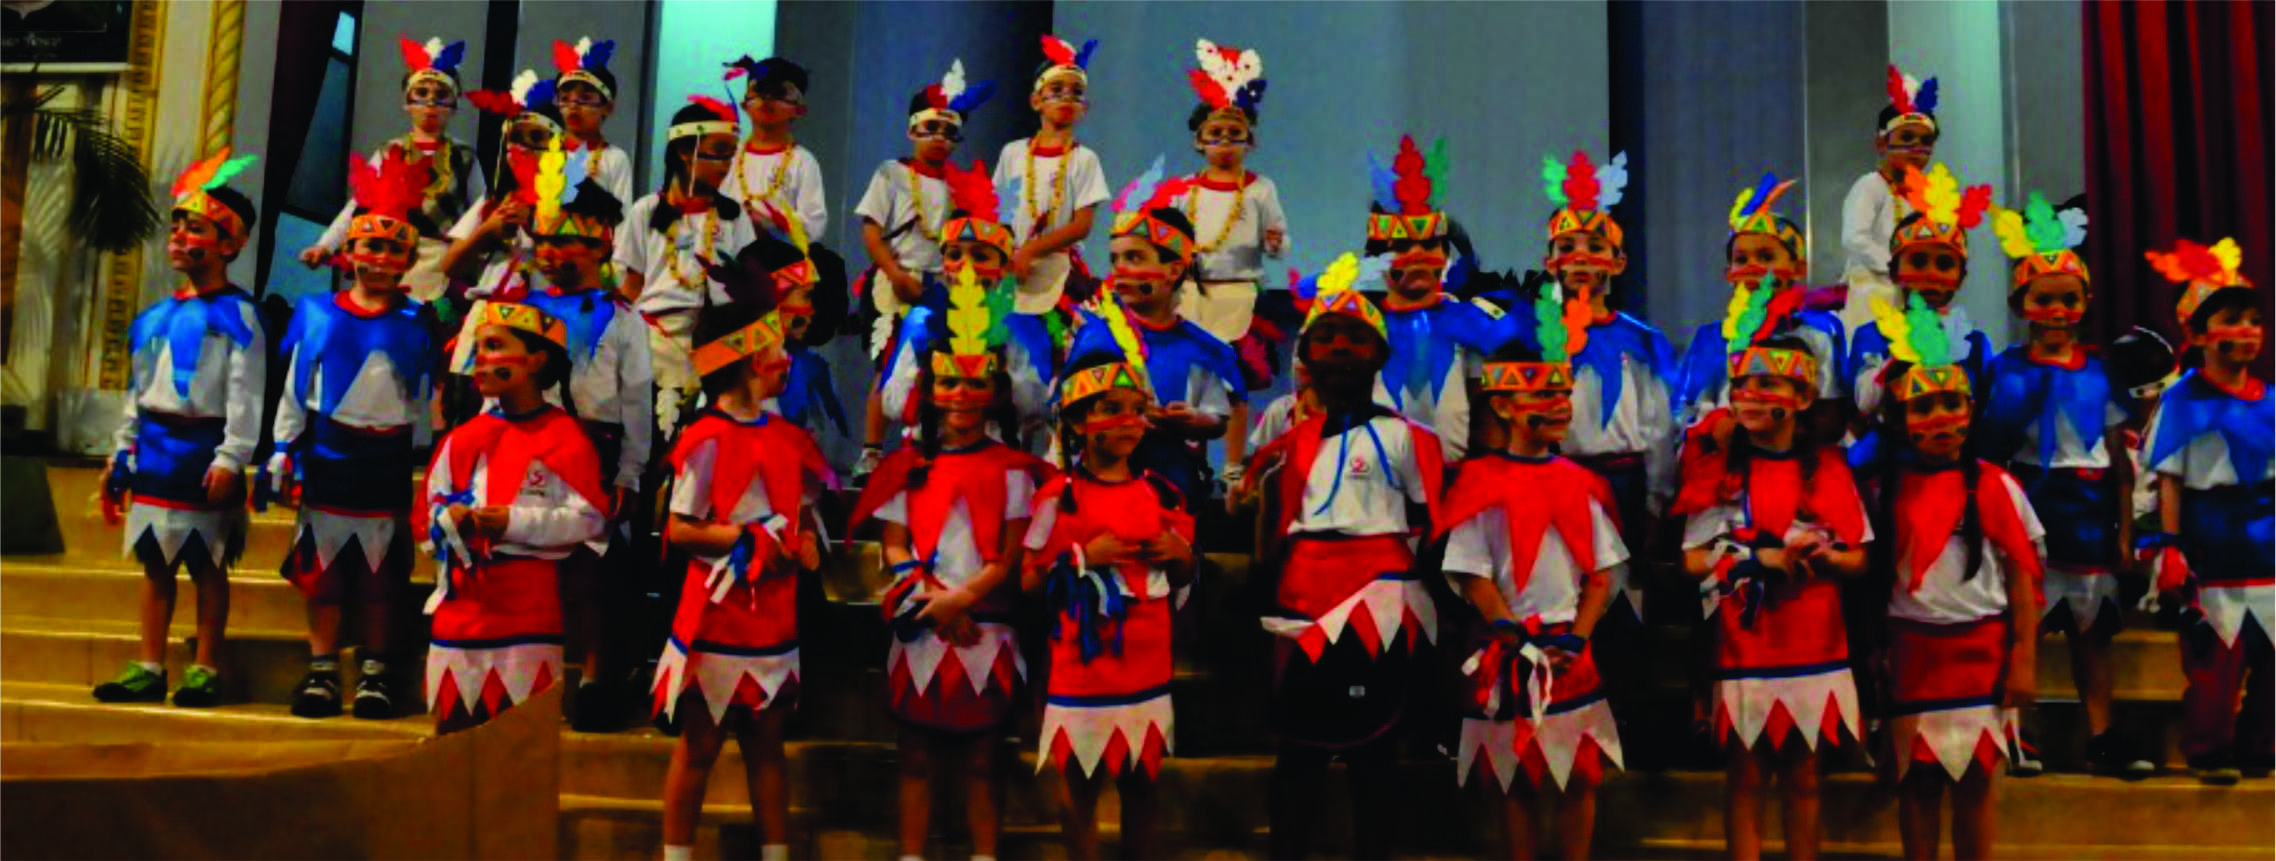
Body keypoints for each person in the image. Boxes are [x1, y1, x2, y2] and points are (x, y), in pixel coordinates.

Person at [1242, 254, 1442, 860]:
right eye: (1324, 339)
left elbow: (1431, 522)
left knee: (1375, 750)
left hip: (1377, 599)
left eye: (1355, 339)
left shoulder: (1412, 438)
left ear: (1379, 354)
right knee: (1297, 751)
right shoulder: (1286, 444)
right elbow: (1272, 527)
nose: (1339, 351)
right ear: (1305, 359)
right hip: (1302, 598)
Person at [849, 269, 1051, 861]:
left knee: (986, 759)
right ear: (930, 390)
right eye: (948, 386)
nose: (960, 396)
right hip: (922, 623)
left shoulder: (1013, 468)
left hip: (987, 628)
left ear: (991, 389)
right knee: (914, 754)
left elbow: (1010, 553)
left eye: (972, 385)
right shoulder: (907, 465)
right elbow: (894, 544)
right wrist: (933, 599)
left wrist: (964, 600)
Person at [653, 246, 834, 861]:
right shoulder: (704, 441)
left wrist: (805, 545)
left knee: (767, 745)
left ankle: (775, 853)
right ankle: (676, 854)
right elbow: (679, 530)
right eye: (774, 349)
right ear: (743, 361)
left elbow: (807, 521)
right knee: (700, 745)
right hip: (717, 616)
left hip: (774, 615)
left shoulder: (791, 440)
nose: (785, 359)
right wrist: (746, 539)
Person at [1675, 303, 1870, 861]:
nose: (1752, 396)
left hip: (1816, 642)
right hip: (1745, 645)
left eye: (1768, 384)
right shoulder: (1718, 470)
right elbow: (1690, 562)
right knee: (1745, 776)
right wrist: (1749, 557)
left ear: (1804, 398)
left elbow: (1860, 559)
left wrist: (1823, 558)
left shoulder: (1831, 468)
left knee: (1806, 776)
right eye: (1743, 384)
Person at [1439, 294, 1628, 860]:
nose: (1557, 405)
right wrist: (1510, 632)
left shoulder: (1582, 483)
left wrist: (1577, 637)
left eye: (1561, 394)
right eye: (1542, 393)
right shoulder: (1478, 481)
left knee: (1579, 774)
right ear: (1503, 405)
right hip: (1510, 648)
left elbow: (1600, 573)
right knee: (1514, 775)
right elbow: (1473, 573)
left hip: (1570, 647)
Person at [1863, 296, 2045, 861]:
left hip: (1980, 652)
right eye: (1924, 408)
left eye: (1952, 405)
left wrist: (2023, 659)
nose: (1940, 419)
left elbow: (2022, 579)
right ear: (1899, 421)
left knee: (1974, 783)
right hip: (1911, 653)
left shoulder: (1996, 485)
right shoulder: (1878, 488)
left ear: (1971, 411)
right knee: (1916, 783)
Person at [1977, 191, 2148, 777]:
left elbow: (2121, 462)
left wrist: (2125, 531)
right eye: (2044, 299)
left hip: (2090, 508)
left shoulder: (2101, 371)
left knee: (2090, 628)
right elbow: (1992, 451)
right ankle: (2016, 733)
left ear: (2086, 301)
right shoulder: (2006, 368)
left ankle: (2102, 733)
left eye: (2068, 299)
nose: (2057, 310)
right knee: (2023, 623)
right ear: (2022, 303)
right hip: (2031, 501)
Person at [1023, 301, 1197, 861]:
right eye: (1108, 410)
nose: (1126, 423)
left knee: (1143, 787)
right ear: (1076, 422)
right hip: (1082, 666)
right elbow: (1028, 579)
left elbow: (1186, 575)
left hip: (1147, 662)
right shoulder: (1056, 498)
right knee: (1079, 791)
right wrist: (1081, 556)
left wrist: (1180, 555)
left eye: (1133, 410)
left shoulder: (1163, 495)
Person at [92, 150, 267, 708]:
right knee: (155, 561)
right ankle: (148, 663)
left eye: (195, 228)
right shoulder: (156, 316)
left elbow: (247, 393)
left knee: (207, 562)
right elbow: (137, 390)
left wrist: (231, 457)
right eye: (176, 226)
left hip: (204, 450)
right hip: (156, 450)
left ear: (229, 245)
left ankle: (205, 666)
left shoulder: (239, 317)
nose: (179, 237)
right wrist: (122, 451)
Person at [268, 149, 437, 720]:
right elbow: (296, 386)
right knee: (325, 571)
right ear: (348, 251)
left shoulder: (418, 320)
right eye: (369, 245)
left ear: (408, 259)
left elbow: (426, 397)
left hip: (386, 460)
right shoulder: (316, 312)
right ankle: (321, 670)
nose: (379, 258)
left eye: (393, 248)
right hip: (327, 455)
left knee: (380, 572)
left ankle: (375, 670)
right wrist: (282, 449)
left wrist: (432, 459)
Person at [498, 142, 651, 731]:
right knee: (529, 564)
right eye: (549, 241)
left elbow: (636, 399)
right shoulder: (518, 310)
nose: (556, 253)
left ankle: (593, 678)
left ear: (603, 245)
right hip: (528, 444)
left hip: (596, 448)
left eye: (572, 242)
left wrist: (631, 472)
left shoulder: (623, 317)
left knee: (595, 572)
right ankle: (525, 673)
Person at [422, 301, 607, 733]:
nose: (479, 358)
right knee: (453, 732)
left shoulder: (565, 438)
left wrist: (515, 523)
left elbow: (590, 520)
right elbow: (427, 517)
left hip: (528, 608)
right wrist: (451, 518)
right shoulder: (463, 438)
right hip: (463, 604)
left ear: (536, 360)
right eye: (478, 348)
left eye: (493, 346)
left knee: (519, 741)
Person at [2140, 238, 2273, 785]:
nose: (2245, 331)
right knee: (2216, 654)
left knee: (2270, 653)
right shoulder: (2183, 400)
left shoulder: (2270, 398)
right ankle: (2209, 746)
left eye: (2252, 320)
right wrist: (2169, 546)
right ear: (2195, 336)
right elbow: (2169, 476)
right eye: (2230, 321)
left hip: (2266, 539)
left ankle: (2262, 743)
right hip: (2210, 538)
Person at [1063, 161, 1243, 506]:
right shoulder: (1093, 334)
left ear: (1174, 269)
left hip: (1169, 480)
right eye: (1115, 260)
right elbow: (1069, 408)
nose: (1121, 270)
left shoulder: (1202, 349)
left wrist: (1192, 421)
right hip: (1096, 480)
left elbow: (1217, 418)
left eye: (1134, 257)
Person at [853, 60, 996, 476]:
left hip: (942, 285)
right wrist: (895, 275)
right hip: (895, 279)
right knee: (888, 362)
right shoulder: (891, 174)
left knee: (936, 363)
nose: (938, 140)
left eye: (949, 133)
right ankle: (872, 450)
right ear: (911, 130)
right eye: (929, 129)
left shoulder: (958, 185)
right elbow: (872, 231)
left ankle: (924, 440)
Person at [1365, 135, 1514, 460]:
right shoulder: (1365, 324)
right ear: (1375, 260)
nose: (1417, 254)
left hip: (1453, 474)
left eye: (1430, 244)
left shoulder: (1471, 320)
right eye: (1402, 247)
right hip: (1380, 480)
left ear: (1446, 253)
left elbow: (1486, 401)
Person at [617, 96, 760, 434]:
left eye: (731, 153)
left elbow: (748, 289)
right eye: (719, 151)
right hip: (655, 336)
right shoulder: (645, 211)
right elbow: (631, 285)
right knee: (650, 436)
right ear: (685, 151)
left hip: (715, 339)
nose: (727, 164)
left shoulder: (733, 216)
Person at [300, 38, 480, 301]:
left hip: (441, 262)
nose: (430, 103)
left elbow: (480, 211)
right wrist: (326, 245)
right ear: (406, 102)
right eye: (422, 93)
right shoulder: (389, 150)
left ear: (454, 106)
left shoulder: (465, 157)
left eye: (441, 95)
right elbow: (359, 204)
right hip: (389, 255)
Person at [1674, 172, 1847, 440]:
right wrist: (1716, 424)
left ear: (1798, 268)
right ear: (1728, 272)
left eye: (1766, 256)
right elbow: (1685, 409)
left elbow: (1831, 408)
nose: (1753, 267)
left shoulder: (1819, 333)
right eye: (1742, 259)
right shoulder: (1711, 339)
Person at [1173, 38, 1288, 421]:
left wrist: (1274, 242)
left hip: (1238, 294)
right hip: (1190, 293)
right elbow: (1168, 239)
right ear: (1198, 141)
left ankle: (1233, 464)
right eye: (1214, 135)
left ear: (1249, 142)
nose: (1224, 144)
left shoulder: (1260, 188)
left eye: (1234, 135)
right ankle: (1192, 452)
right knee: (1191, 376)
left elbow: (1279, 240)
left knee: (1233, 379)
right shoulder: (1183, 191)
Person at [1847, 161, 1994, 427]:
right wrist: (1900, 356)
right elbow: (1863, 404)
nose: (1931, 274)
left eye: (1945, 265)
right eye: (1917, 262)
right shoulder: (1871, 335)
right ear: (1893, 273)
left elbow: (1982, 413)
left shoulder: (1976, 343)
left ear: (1960, 278)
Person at [995, 34, 1111, 315]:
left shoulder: (1084, 159)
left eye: (1076, 92)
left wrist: (1032, 251)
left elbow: (1082, 225)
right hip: (1013, 266)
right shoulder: (1013, 153)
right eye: (1056, 89)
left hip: (1058, 268)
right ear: (1036, 101)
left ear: (1085, 107)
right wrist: (1008, 256)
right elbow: (1001, 213)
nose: (1067, 97)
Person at [1840, 65, 1940, 332]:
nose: (1917, 148)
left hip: (1915, 295)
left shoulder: (1929, 195)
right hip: (1871, 293)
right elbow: (1854, 238)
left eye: (1926, 140)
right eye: (1906, 137)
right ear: (1882, 144)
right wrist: (1901, 268)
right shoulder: (1870, 185)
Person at [721, 56, 828, 243]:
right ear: (744, 104)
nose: (767, 99)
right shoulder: (728, 156)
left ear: (799, 109)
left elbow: (814, 224)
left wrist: (770, 224)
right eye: (760, 91)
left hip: (781, 263)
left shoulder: (802, 161)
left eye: (779, 92)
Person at [550, 36, 636, 206]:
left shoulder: (615, 158)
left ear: (608, 108)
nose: (573, 106)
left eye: (585, 98)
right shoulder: (544, 152)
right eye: (565, 98)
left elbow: (623, 219)